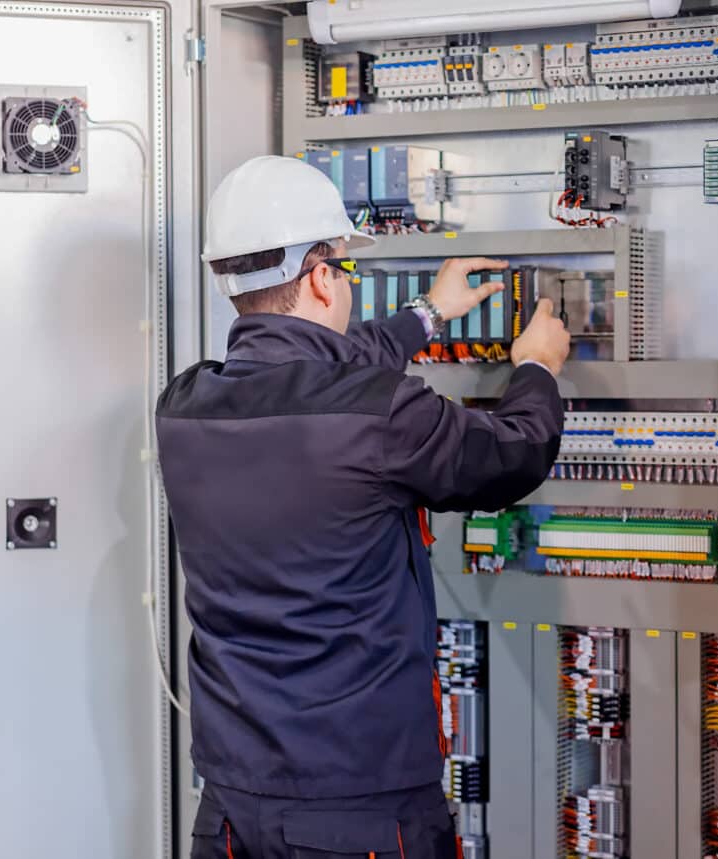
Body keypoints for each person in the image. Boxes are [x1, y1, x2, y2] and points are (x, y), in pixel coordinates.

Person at [156, 155, 570, 859]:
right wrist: (536, 368)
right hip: (360, 810)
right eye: (345, 270)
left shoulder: (186, 407)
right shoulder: (377, 416)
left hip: (230, 806)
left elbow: (319, 374)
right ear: (321, 278)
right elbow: (514, 453)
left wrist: (428, 313)